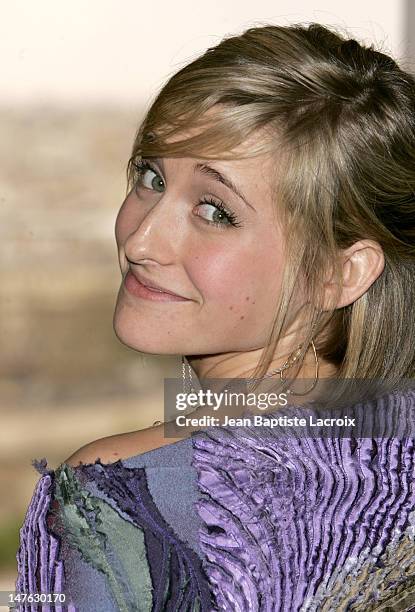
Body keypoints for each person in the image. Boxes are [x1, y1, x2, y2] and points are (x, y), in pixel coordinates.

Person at [15, 21, 415, 611]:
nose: (142, 239)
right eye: (150, 178)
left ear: (341, 273)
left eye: (214, 211)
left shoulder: (122, 496)